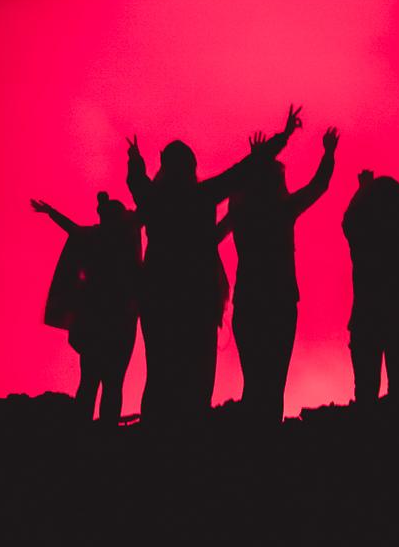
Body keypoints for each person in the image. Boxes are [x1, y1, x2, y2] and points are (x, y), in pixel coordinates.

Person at [125, 106, 302, 425]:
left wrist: (135, 158)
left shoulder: (153, 199)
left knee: (160, 370)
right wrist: (283, 137)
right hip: (197, 299)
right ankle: (192, 440)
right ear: (192, 166)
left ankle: (155, 440)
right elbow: (244, 170)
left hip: (158, 298)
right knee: (198, 373)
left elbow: (135, 180)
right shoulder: (203, 195)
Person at [218, 126, 339, 424]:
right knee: (274, 382)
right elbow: (318, 186)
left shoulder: (241, 212)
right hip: (281, 302)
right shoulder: (283, 210)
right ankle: (269, 442)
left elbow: (211, 236)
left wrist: (257, 157)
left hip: (248, 302)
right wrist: (329, 153)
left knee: (255, 381)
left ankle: (252, 441)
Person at [31, 192, 142, 422]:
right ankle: (105, 429)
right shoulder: (126, 240)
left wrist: (50, 212)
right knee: (112, 382)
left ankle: (84, 430)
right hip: (119, 323)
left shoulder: (94, 237)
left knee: (90, 380)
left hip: (95, 320)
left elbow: (72, 229)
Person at [342, 165, 399, 403]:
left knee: (365, 393)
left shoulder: (361, 234)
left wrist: (362, 188)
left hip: (365, 320)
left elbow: (349, 218)